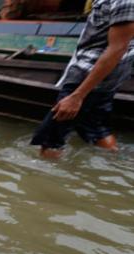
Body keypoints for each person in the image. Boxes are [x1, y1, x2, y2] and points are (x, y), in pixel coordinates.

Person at [30, 0, 134, 158]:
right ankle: (114, 161)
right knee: (96, 128)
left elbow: (117, 48)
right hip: (98, 74)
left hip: (90, 73)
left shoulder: (124, 2)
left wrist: (77, 96)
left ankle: (40, 178)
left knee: (51, 137)